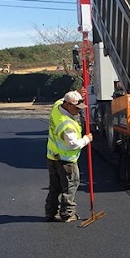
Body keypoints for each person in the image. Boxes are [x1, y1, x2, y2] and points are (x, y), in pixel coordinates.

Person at [45, 90, 93, 222]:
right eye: (76, 108)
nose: (79, 111)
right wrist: (87, 139)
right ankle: (67, 214)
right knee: (70, 186)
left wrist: (77, 93)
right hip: (66, 161)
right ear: (67, 105)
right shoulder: (67, 125)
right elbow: (73, 144)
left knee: (55, 187)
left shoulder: (57, 107)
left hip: (52, 157)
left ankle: (50, 212)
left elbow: (61, 99)